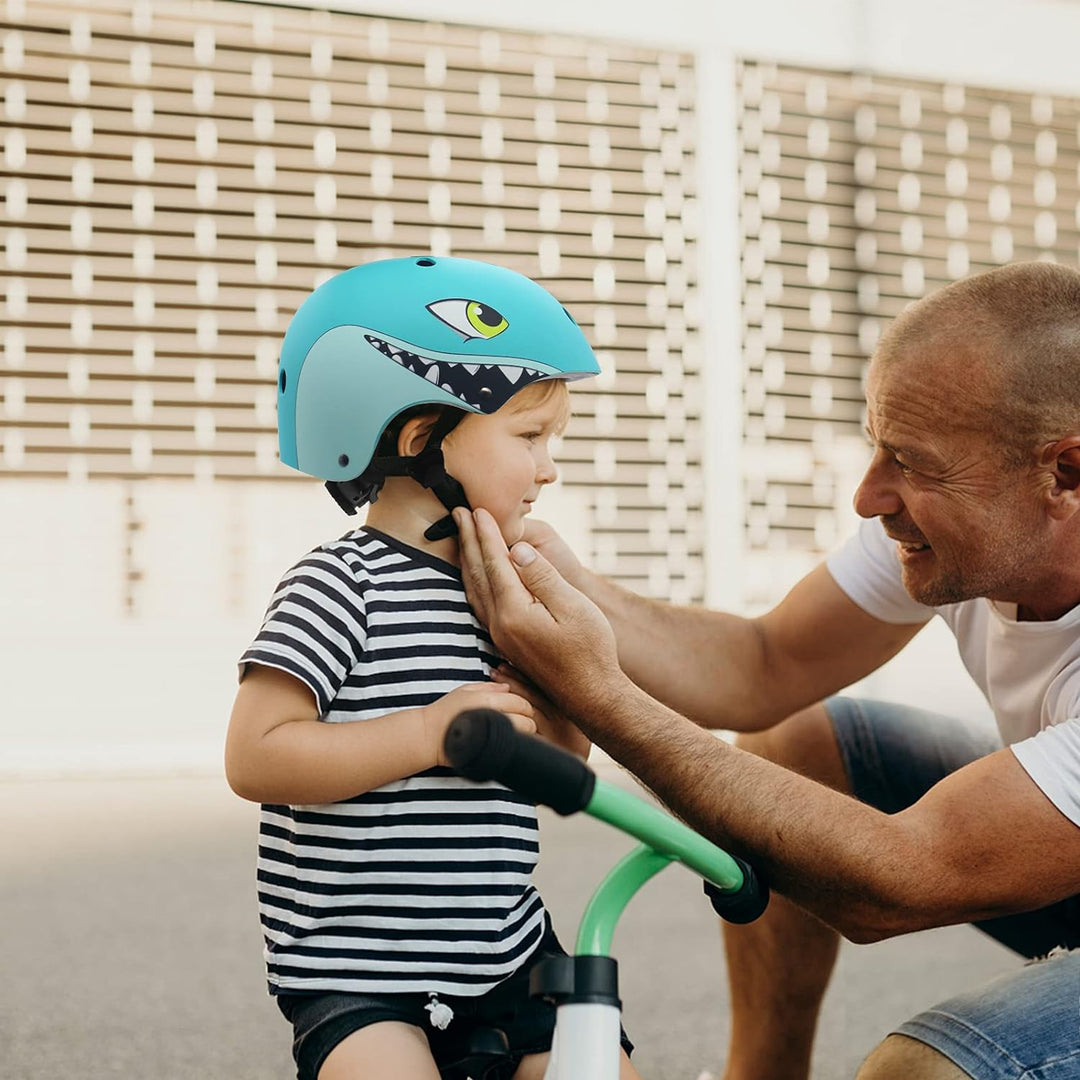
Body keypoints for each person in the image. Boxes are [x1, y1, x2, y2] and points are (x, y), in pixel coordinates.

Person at [452, 259, 1080, 1080]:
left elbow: (901, 878)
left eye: (913, 464)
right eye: (875, 449)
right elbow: (763, 664)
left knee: (926, 1072)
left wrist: (593, 690)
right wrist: (560, 580)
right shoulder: (962, 524)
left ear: (1064, 473)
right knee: (793, 738)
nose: (868, 496)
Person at [225, 256, 638, 1080]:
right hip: (359, 972)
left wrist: (563, 672)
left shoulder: (507, 593)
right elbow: (256, 755)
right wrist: (427, 733)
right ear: (422, 440)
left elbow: (559, 767)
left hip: (507, 953)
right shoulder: (340, 583)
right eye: (529, 437)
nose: (549, 468)